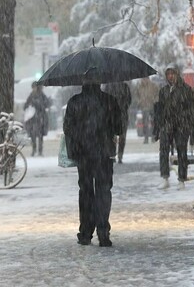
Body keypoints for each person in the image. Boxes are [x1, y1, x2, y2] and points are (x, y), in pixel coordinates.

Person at [63, 83, 123, 247]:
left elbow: (67, 128)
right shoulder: (109, 101)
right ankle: (103, 233)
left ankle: (85, 232)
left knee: (86, 192)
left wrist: (81, 136)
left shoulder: (75, 102)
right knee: (103, 191)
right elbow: (119, 127)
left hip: (83, 154)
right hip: (103, 154)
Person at [153, 64, 194, 190]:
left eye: (172, 73)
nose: (170, 76)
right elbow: (160, 110)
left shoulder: (186, 90)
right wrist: (158, 126)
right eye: (168, 74)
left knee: (181, 152)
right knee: (163, 150)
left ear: (177, 74)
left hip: (181, 126)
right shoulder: (163, 91)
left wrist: (184, 118)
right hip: (167, 124)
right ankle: (165, 177)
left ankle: (182, 179)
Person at [102, 81, 132, 163]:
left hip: (111, 115)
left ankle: (113, 154)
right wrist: (123, 107)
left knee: (112, 136)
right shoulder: (125, 86)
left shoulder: (108, 86)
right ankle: (120, 155)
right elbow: (129, 100)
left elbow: (104, 100)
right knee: (122, 136)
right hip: (122, 114)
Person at [23, 82, 52, 157]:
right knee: (33, 135)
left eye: (35, 87)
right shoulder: (31, 95)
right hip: (33, 119)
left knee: (40, 135)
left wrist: (36, 104)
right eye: (33, 87)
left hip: (40, 118)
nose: (34, 89)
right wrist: (28, 107)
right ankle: (34, 150)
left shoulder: (41, 95)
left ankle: (40, 150)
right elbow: (25, 105)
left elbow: (46, 104)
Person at [137, 77, 159, 144]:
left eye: (145, 79)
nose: (144, 80)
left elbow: (158, 94)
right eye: (143, 79)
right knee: (145, 123)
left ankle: (153, 136)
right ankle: (146, 137)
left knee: (153, 122)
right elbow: (137, 95)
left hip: (152, 106)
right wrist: (139, 101)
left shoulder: (153, 85)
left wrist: (155, 101)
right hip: (144, 106)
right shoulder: (139, 86)